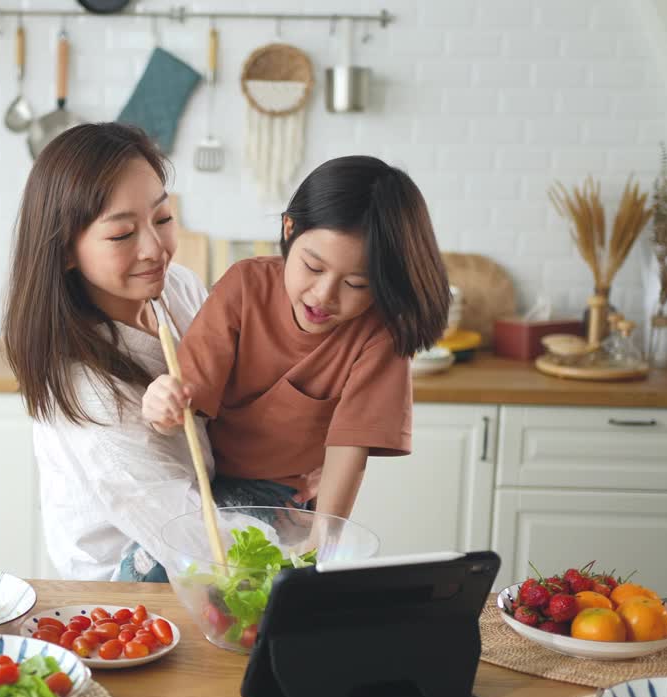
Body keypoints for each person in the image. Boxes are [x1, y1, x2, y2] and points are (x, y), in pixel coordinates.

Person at [142, 155, 450, 521]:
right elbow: (186, 402)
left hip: (282, 492)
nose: (324, 296)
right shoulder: (244, 285)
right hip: (201, 475)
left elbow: (348, 450)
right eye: (313, 267)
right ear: (289, 229)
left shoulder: (381, 335)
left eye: (356, 284)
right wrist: (160, 406)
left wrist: (324, 541)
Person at [2, 123, 212, 582]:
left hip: (203, 511)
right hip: (128, 583)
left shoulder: (177, 290)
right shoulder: (89, 392)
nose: (155, 250)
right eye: (121, 235)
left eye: (162, 218)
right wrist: (298, 542)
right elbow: (193, 540)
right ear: (66, 251)